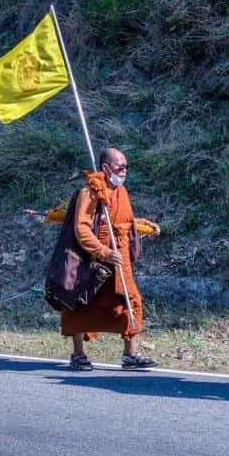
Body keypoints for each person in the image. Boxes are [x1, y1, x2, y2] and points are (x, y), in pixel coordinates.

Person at [60, 148, 158, 371]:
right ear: (105, 168)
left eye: (125, 165)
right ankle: (78, 354)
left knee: (131, 301)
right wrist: (102, 251)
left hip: (119, 257)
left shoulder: (120, 191)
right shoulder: (91, 191)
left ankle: (131, 354)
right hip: (93, 257)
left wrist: (143, 224)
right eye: (118, 165)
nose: (124, 169)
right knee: (81, 303)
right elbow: (81, 227)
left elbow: (124, 220)